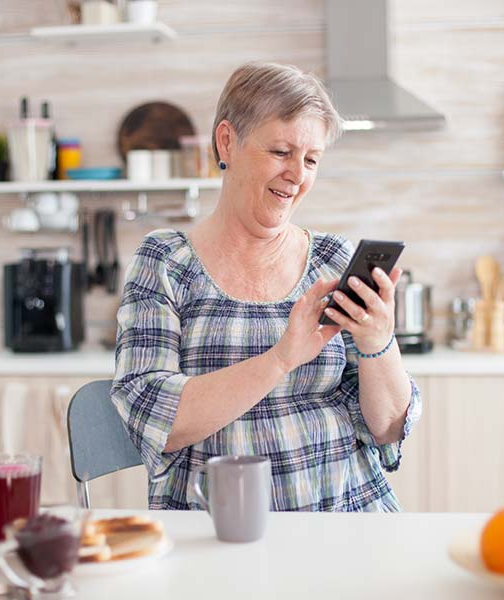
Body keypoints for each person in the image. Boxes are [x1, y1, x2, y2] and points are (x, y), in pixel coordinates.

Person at [111, 62, 421, 511]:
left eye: (311, 159)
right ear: (227, 142)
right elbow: (154, 416)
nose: (297, 175)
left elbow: (389, 429)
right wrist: (281, 358)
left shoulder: (333, 259)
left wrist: (378, 342)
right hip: (219, 530)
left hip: (349, 516)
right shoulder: (166, 261)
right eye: (281, 151)